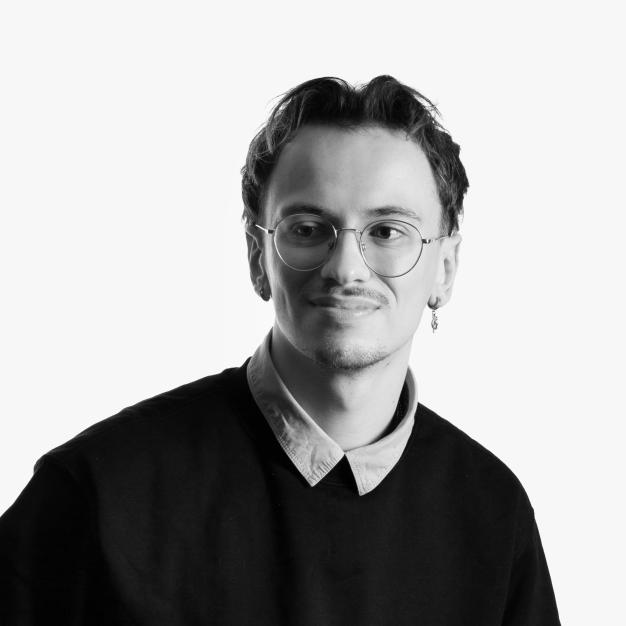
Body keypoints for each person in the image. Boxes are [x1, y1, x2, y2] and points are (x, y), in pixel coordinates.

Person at [0, 76, 561, 625]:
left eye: (388, 231)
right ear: (257, 256)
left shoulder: (493, 511)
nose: (346, 269)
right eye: (309, 228)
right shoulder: (97, 492)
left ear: (445, 267)